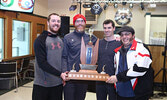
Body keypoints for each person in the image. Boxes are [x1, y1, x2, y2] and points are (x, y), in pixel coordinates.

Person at [106, 26, 154, 100]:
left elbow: (140, 68)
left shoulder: (142, 48)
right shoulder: (117, 52)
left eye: (127, 34)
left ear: (133, 35)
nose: (124, 37)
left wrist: (117, 77)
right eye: (122, 35)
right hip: (121, 92)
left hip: (138, 93)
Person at [33, 13, 68, 100]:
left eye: (58, 21)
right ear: (48, 22)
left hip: (57, 84)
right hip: (42, 85)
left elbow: (61, 59)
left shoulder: (60, 40)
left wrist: (63, 75)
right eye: (53, 21)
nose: (56, 23)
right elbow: (42, 63)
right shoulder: (40, 40)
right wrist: (60, 74)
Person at [62, 14, 97, 100]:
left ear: (85, 23)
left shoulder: (92, 38)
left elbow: (100, 48)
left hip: (83, 76)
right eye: (77, 21)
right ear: (74, 23)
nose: (80, 23)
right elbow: (64, 56)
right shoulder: (67, 37)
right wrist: (64, 71)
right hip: (71, 75)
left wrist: (116, 39)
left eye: (82, 21)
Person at [96, 19, 121, 100]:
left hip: (113, 78)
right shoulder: (99, 43)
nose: (107, 30)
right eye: (105, 28)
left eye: (109, 28)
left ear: (114, 28)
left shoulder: (120, 43)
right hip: (100, 78)